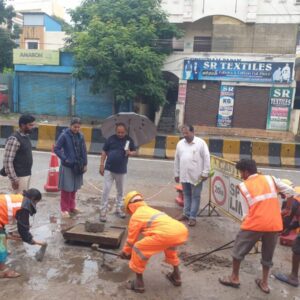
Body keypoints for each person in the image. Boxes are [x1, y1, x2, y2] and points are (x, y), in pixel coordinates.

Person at [219, 159, 296, 294]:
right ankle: (264, 283)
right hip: (273, 224)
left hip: (254, 224)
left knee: (237, 251)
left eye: (241, 172)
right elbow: (290, 191)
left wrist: (245, 230)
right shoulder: (270, 178)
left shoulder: (243, 186)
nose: (241, 175)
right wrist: (288, 209)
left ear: (246, 172)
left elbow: (245, 214)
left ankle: (234, 278)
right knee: (267, 255)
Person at [120, 191, 188, 293]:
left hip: (166, 234)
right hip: (181, 230)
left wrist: (125, 252)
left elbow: (131, 240)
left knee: (138, 248)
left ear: (130, 207)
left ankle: (138, 284)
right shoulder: (150, 210)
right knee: (170, 248)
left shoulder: (136, 216)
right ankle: (176, 277)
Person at [0, 188, 46, 278]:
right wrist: (29, 239)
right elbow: (22, 228)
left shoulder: (20, 198)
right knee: (1, 247)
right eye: (36, 202)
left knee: (2, 235)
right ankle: (4, 270)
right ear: (33, 199)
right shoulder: (24, 206)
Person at [174, 125, 210, 226]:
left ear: (192, 132)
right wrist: (176, 173)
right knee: (186, 194)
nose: (184, 135)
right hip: (184, 175)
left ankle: (192, 217)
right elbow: (176, 159)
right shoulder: (180, 144)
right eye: (183, 133)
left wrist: (205, 173)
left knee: (196, 196)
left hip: (197, 176)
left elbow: (207, 158)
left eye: (186, 133)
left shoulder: (201, 143)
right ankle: (186, 214)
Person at [99, 123, 136, 222]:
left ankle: (118, 209)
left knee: (120, 191)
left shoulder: (129, 140)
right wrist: (101, 165)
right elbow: (104, 152)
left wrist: (130, 152)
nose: (120, 134)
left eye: (122, 132)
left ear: (125, 131)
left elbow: (135, 151)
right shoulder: (111, 139)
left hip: (121, 170)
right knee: (106, 190)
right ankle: (103, 211)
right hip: (109, 169)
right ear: (115, 131)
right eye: (118, 132)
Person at [54, 118, 87, 218]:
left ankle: (72, 207)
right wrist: (65, 158)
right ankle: (64, 209)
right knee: (66, 188)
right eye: (74, 127)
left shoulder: (81, 136)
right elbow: (56, 148)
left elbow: (84, 150)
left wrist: (85, 164)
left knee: (74, 188)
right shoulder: (64, 136)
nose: (76, 129)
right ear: (70, 126)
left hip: (78, 165)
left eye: (78, 127)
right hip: (68, 166)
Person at [2, 114, 35, 193]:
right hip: (18, 178)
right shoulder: (14, 139)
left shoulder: (25, 136)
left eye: (33, 125)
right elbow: (7, 161)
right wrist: (14, 180)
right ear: (23, 125)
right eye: (30, 125)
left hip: (26, 175)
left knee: (23, 201)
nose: (32, 127)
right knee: (17, 202)